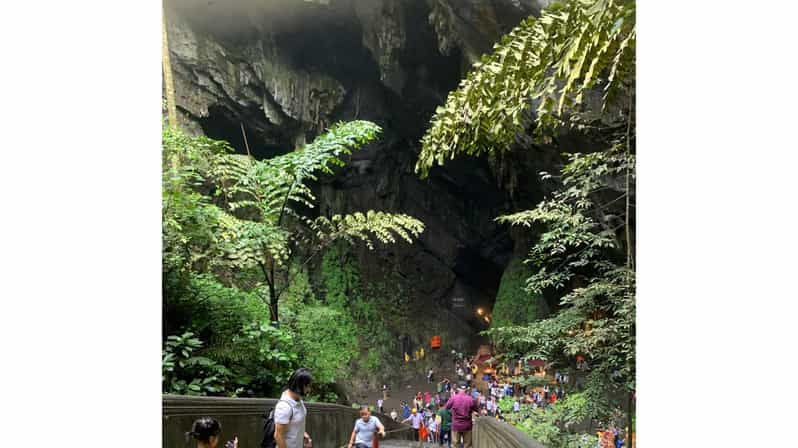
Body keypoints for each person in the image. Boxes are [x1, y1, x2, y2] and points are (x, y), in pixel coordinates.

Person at [274, 368, 313, 448]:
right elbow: (278, 436)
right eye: (307, 386)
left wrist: (303, 434)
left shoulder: (298, 399)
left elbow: (294, 423)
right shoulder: (284, 407)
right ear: (299, 385)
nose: (309, 389)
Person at [445, 383, 479, 448]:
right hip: (467, 426)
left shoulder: (453, 398)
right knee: (468, 445)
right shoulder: (470, 399)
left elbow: (447, 407)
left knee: (455, 445)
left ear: (458, 389)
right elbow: (476, 410)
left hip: (456, 425)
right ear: (467, 389)